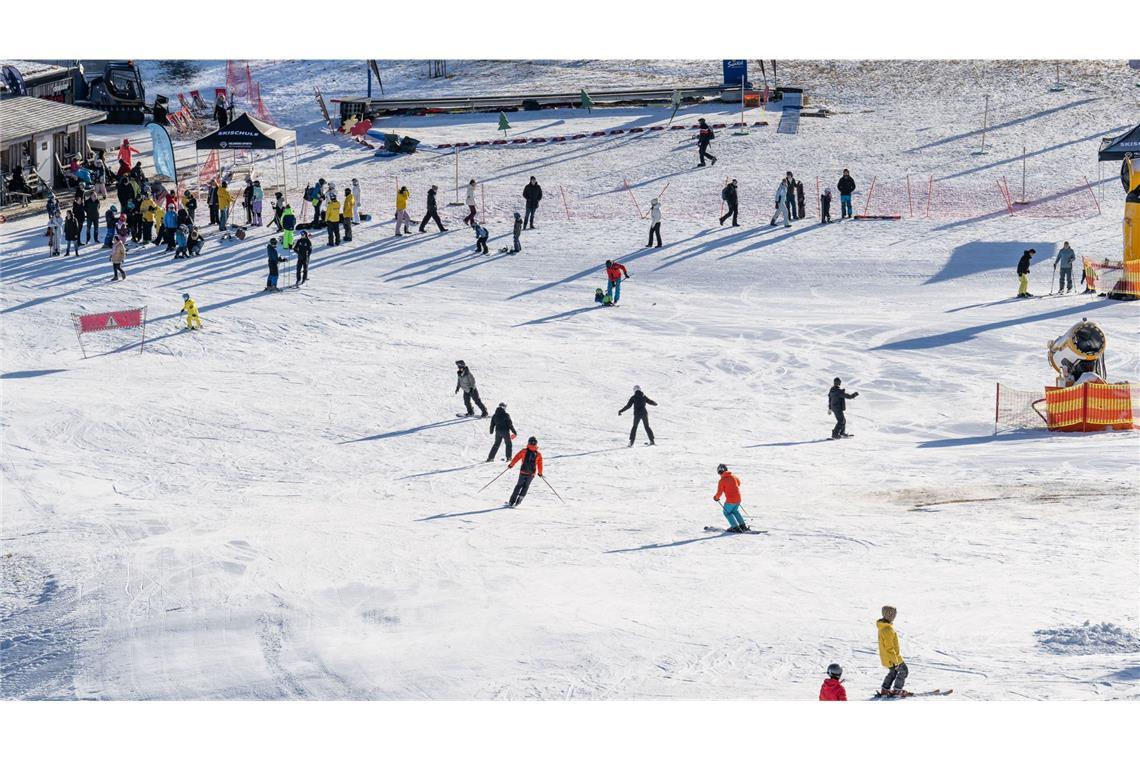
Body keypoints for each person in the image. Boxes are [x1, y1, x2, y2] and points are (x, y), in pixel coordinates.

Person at [877, 606, 908, 697]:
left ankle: (885, 689)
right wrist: (896, 662)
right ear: (889, 615)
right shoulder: (888, 629)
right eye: (893, 614)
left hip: (887, 658)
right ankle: (897, 690)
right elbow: (889, 648)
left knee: (893, 672)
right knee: (904, 671)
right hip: (893, 658)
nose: (894, 616)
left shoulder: (883, 626)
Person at [507, 436, 543, 507]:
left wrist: (511, 465)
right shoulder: (538, 454)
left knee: (518, 486)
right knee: (526, 487)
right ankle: (519, 501)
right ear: (536, 444)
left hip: (523, 472)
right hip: (531, 474)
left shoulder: (524, 451)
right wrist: (540, 473)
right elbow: (540, 465)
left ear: (528, 443)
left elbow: (516, 457)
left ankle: (511, 501)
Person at [713, 463, 749, 533]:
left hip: (730, 500)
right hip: (738, 499)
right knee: (735, 511)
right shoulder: (733, 477)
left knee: (726, 512)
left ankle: (735, 527)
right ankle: (742, 526)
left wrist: (716, 498)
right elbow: (738, 483)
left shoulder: (722, 481)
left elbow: (719, 492)